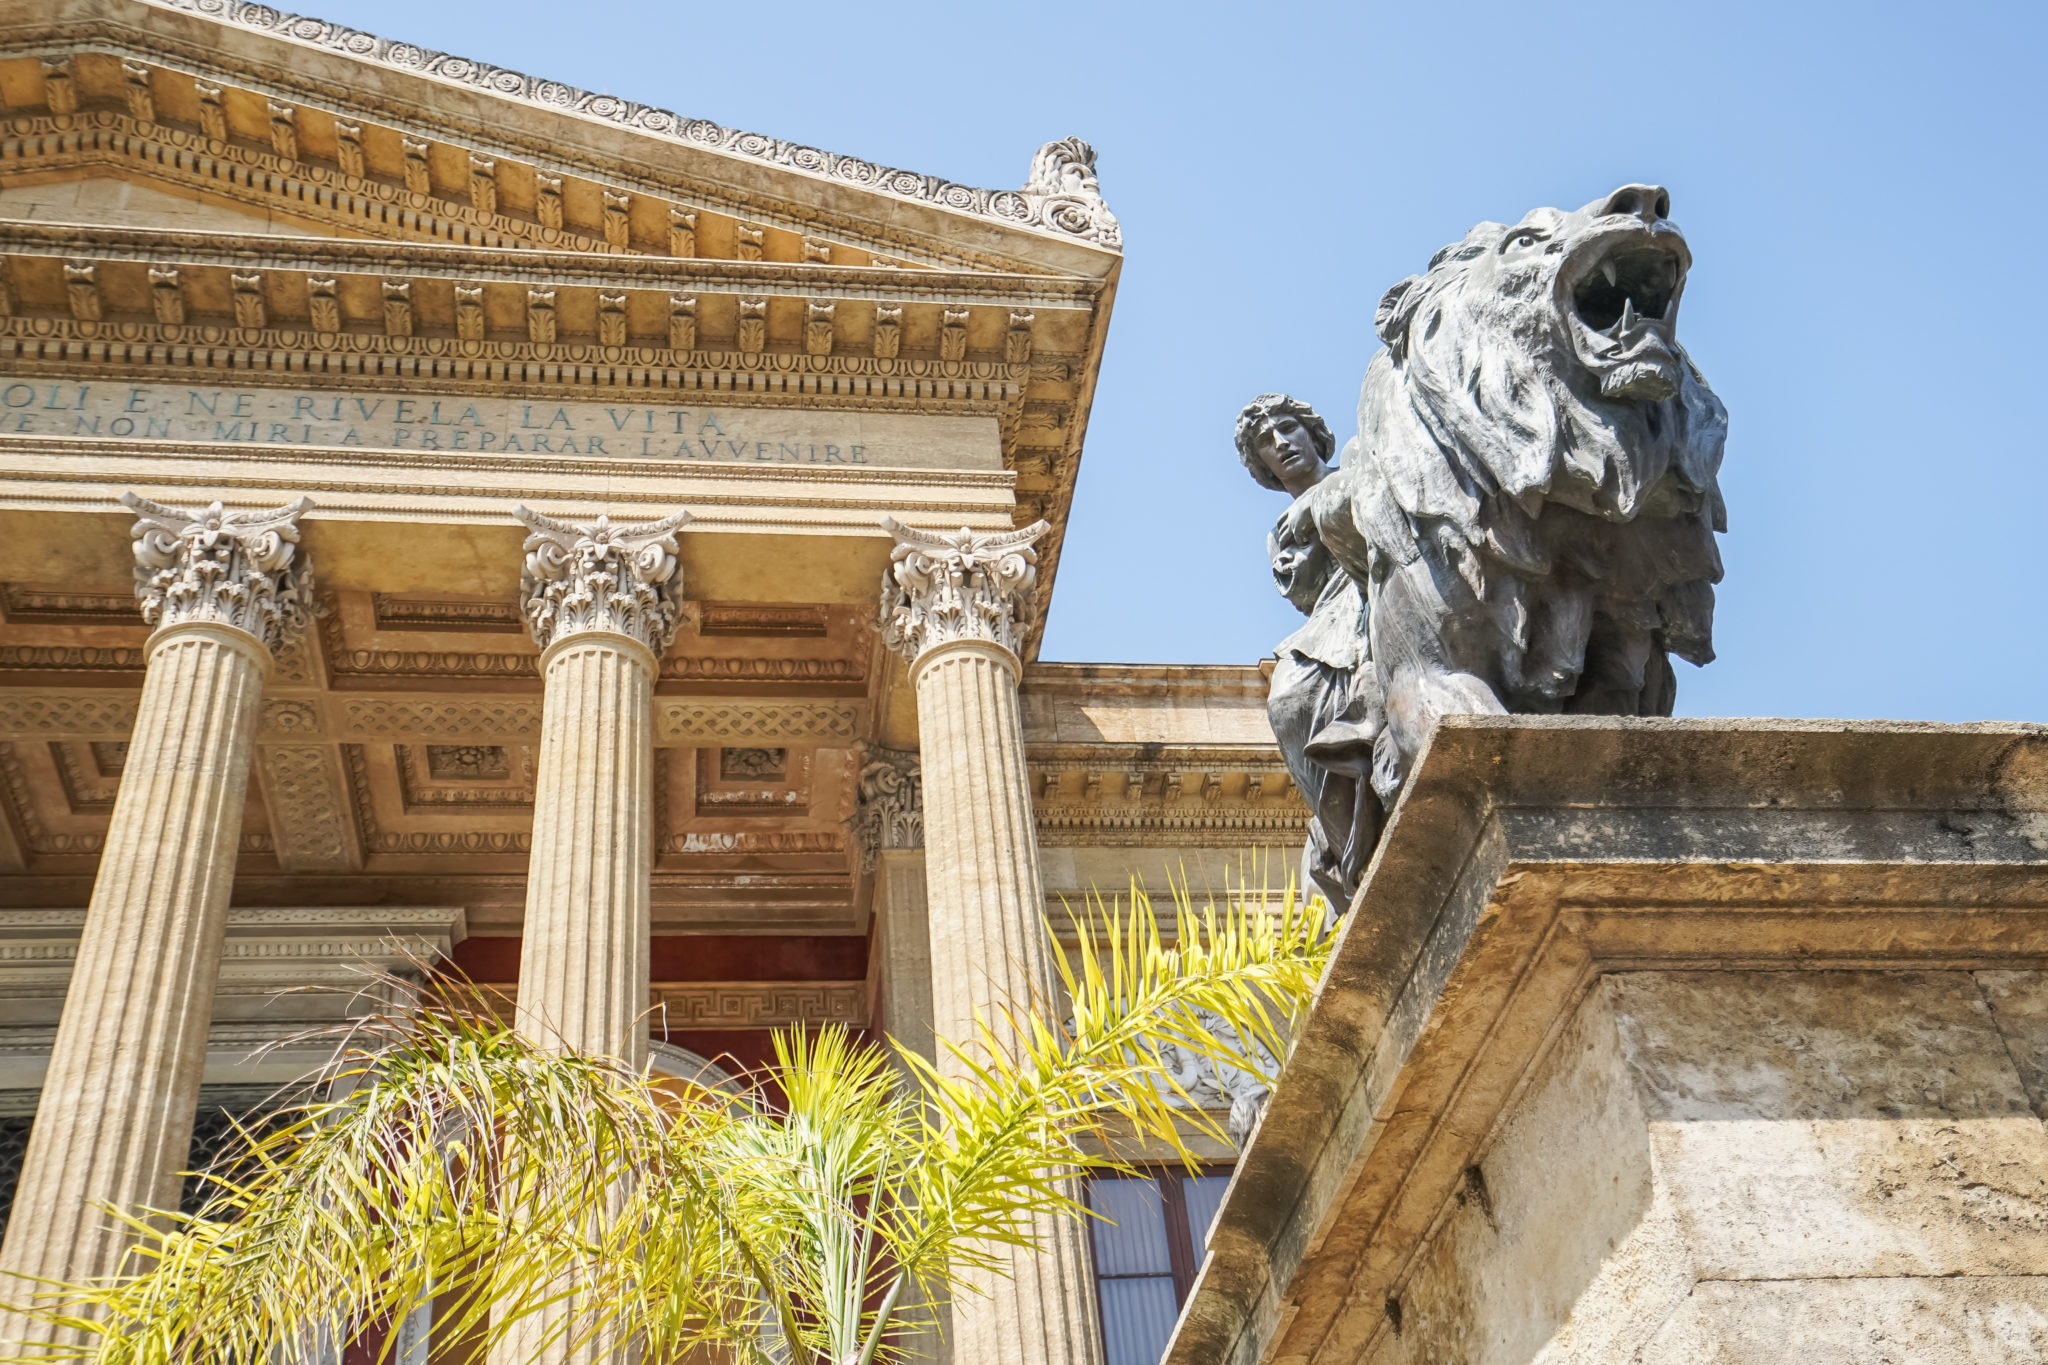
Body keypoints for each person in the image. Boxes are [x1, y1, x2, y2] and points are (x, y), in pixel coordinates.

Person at [1234, 393, 1383, 918]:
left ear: (1312, 432)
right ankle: (1349, 842)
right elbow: (1301, 591)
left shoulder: (1361, 466)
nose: (1280, 442)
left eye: (1288, 427)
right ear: (1263, 465)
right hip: (1333, 611)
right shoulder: (1279, 532)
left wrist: (1326, 504)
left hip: (1378, 576)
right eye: (1265, 441)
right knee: (1289, 699)